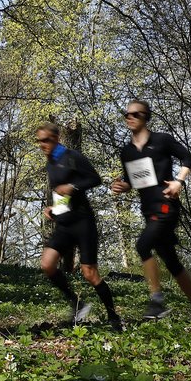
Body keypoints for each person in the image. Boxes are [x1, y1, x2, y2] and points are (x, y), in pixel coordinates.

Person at [110, 100, 191, 318]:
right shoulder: (127, 152)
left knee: (142, 246)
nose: (130, 117)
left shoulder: (162, 140)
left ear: (146, 117)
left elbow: (188, 157)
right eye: (126, 114)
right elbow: (133, 180)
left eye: (135, 114)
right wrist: (123, 186)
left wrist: (179, 181)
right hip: (148, 211)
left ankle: (157, 302)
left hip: (167, 205)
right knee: (169, 258)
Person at [36, 123, 122, 329]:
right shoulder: (50, 163)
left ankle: (113, 317)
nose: (42, 145)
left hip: (83, 222)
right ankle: (77, 303)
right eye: (39, 141)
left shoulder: (71, 156)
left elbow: (95, 179)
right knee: (47, 265)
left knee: (90, 273)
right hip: (64, 224)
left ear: (56, 138)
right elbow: (60, 194)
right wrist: (52, 209)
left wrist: (72, 187)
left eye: (46, 140)